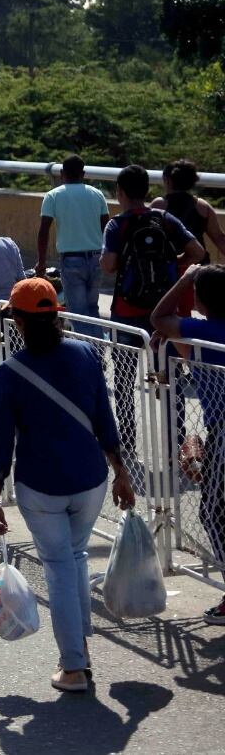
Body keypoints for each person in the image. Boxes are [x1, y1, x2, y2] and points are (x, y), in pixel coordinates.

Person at [0, 278, 135, 691]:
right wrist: (121, 471)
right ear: (57, 313)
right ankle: (80, 647)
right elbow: (105, 419)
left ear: (16, 319)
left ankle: (73, 667)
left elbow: (2, 440)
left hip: (41, 486)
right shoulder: (86, 353)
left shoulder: (10, 372)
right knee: (74, 557)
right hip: (91, 480)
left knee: (59, 566)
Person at [101, 164, 203, 456]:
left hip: (126, 312)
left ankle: (129, 441)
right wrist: (172, 263)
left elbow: (108, 265)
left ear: (120, 192)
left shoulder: (116, 225)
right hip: (163, 314)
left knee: (123, 377)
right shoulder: (165, 219)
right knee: (170, 376)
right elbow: (197, 253)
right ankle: (176, 443)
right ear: (148, 191)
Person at [151, 264, 225, 625]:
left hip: (223, 430)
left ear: (199, 299)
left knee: (211, 511)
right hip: (219, 433)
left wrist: (183, 278)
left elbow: (159, 316)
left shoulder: (200, 331)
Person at [38, 155, 110, 336]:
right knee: (92, 309)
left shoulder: (53, 195)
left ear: (62, 173)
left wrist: (41, 262)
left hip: (71, 261)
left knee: (78, 312)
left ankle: (89, 354)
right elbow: (107, 229)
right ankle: (98, 351)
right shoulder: (97, 194)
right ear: (83, 173)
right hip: (96, 259)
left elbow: (44, 231)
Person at [151, 159, 225, 314]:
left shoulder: (159, 205)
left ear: (168, 181)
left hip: (170, 268)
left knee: (170, 313)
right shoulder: (203, 206)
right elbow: (219, 238)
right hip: (198, 269)